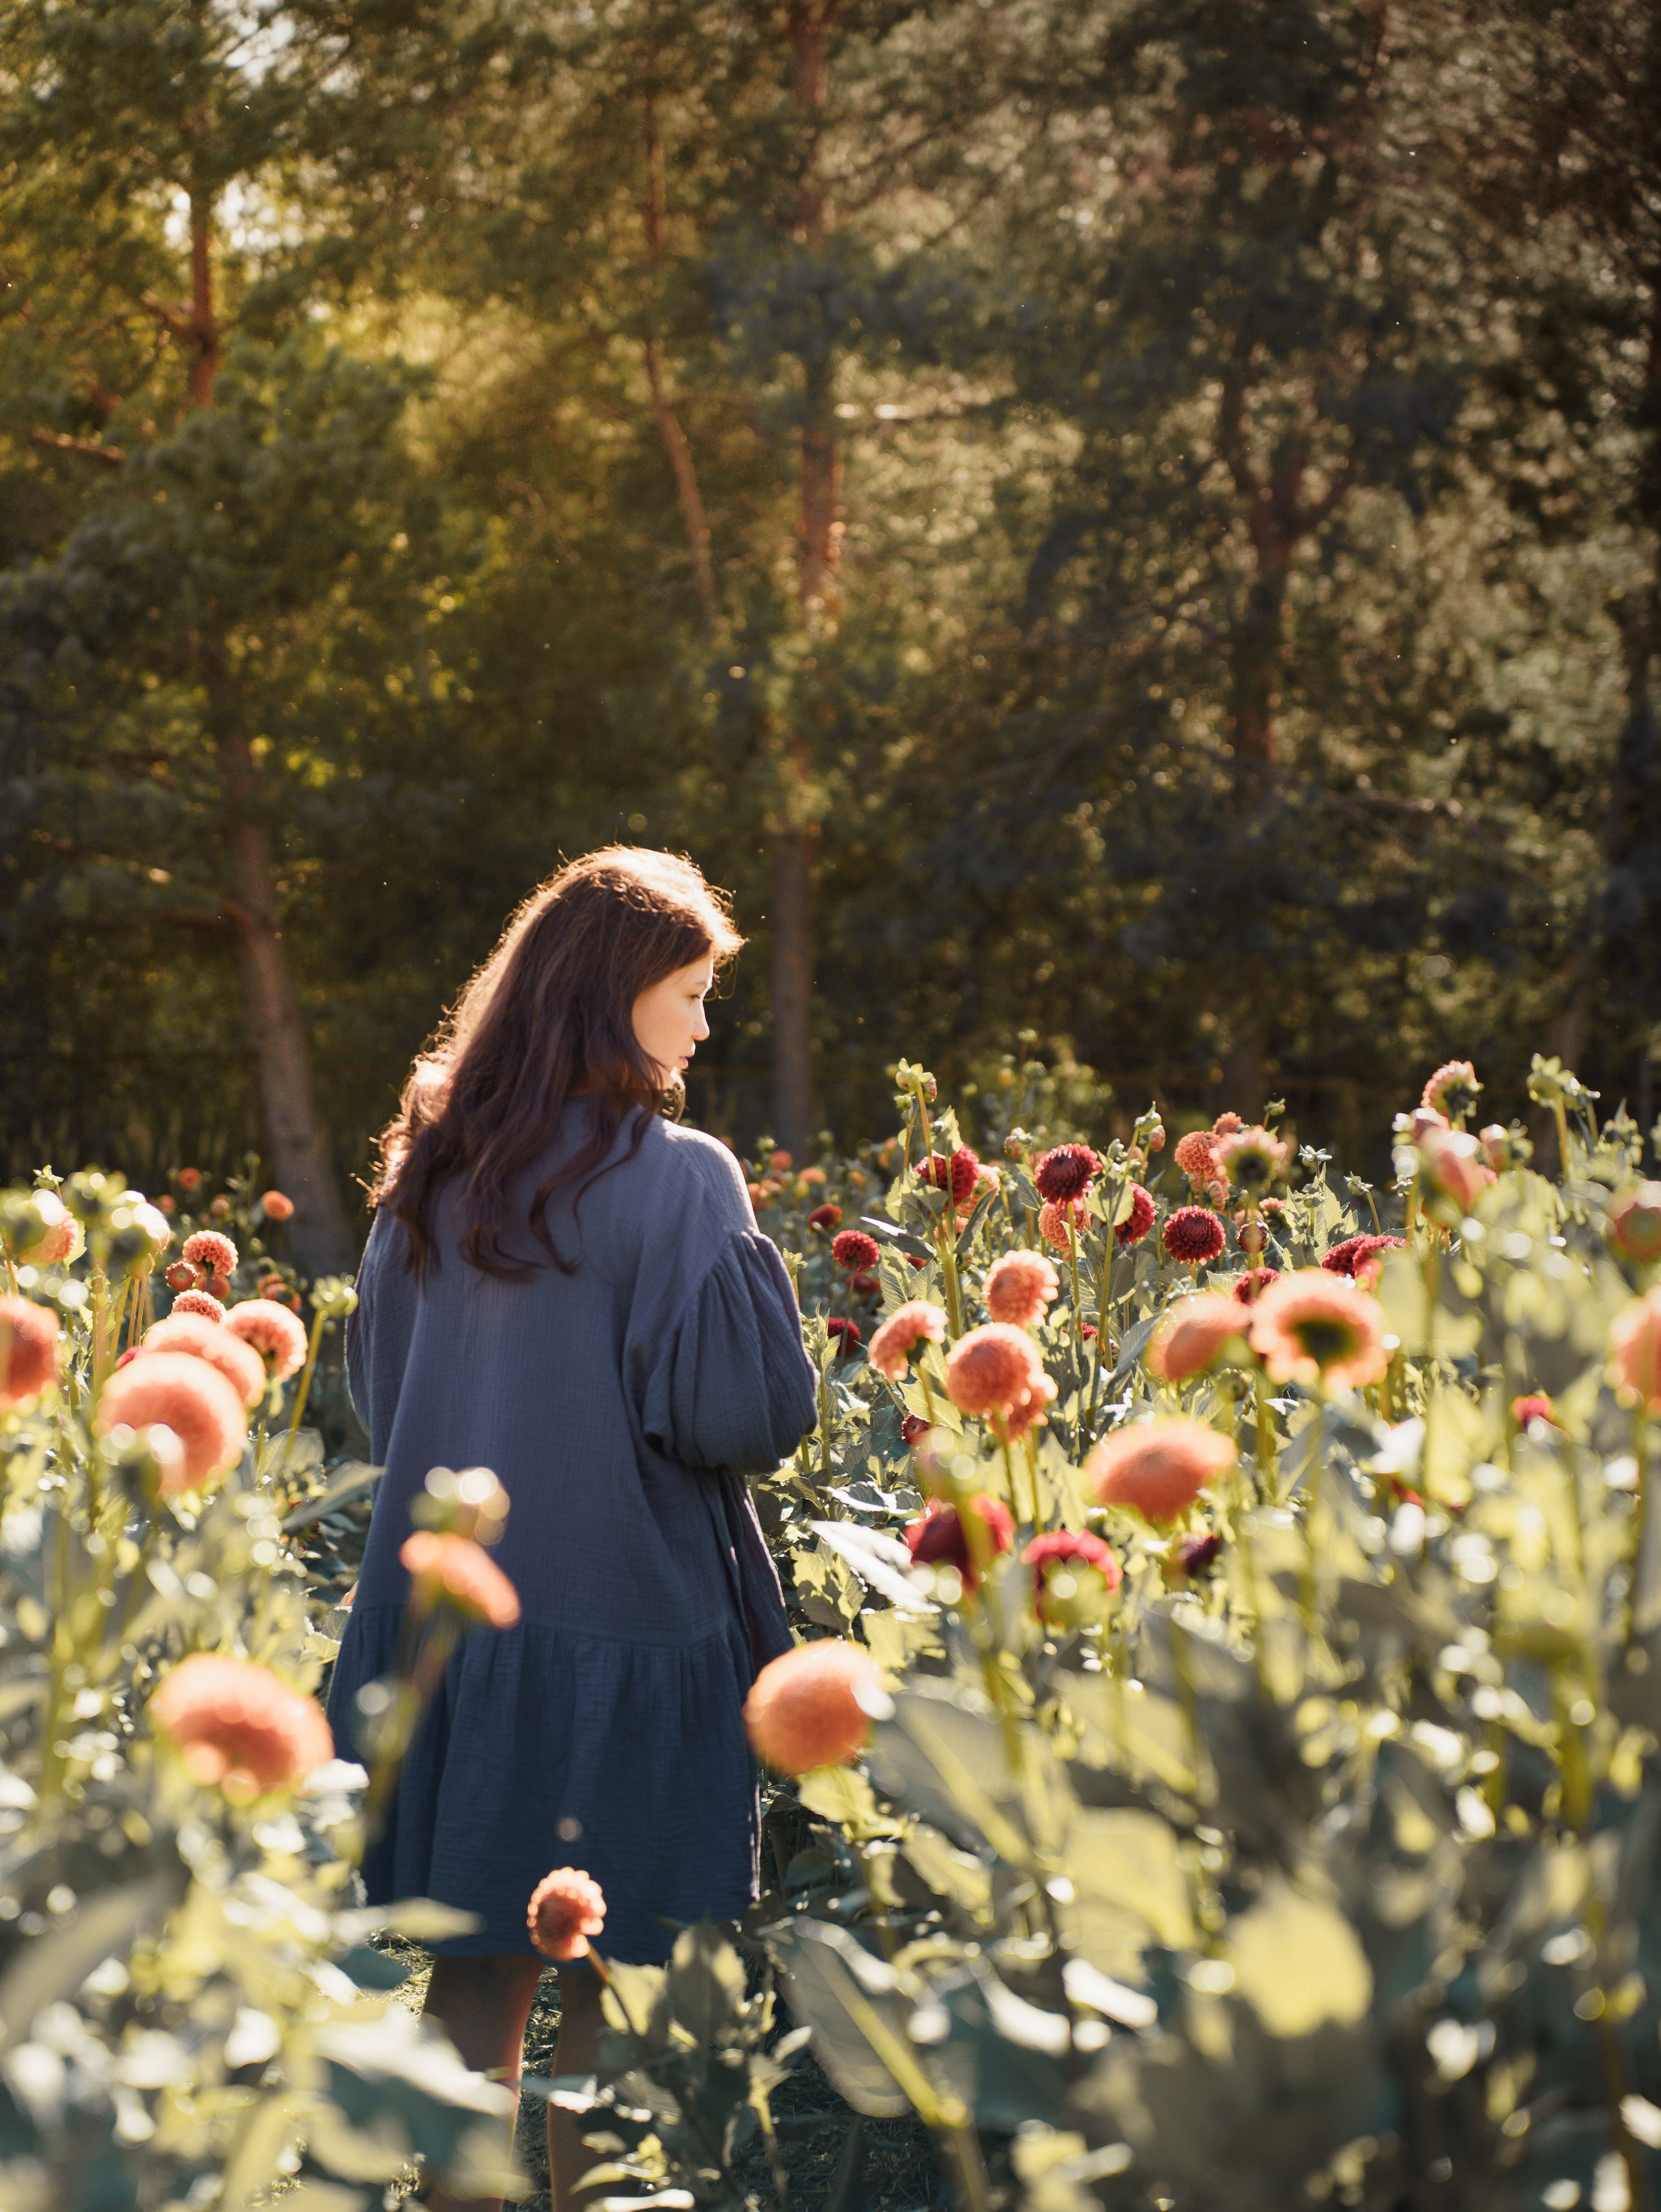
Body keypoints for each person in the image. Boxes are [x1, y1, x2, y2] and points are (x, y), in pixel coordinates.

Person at [326, 847, 818, 2211]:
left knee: (474, 1973)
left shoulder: (433, 1168)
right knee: (617, 1976)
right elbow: (739, 1417)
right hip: (630, 1620)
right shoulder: (683, 1178)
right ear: (614, 993)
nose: (704, 1026)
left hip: (450, 1632)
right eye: (691, 992)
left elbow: (380, 1394)